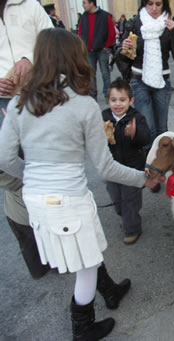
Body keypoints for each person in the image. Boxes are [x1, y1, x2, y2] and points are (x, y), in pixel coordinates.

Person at [0, 28, 164, 340]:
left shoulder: (21, 103)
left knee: (82, 249)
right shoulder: (84, 106)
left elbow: (4, 158)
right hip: (68, 202)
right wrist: (144, 178)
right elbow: (105, 166)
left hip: (36, 201)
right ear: (74, 58)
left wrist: (32, 176)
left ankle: (110, 289)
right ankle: (83, 326)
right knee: (85, 266)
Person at [118, 0, 174, 192]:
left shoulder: (169, 25)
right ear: (144, 5)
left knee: (162, 130)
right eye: (150, 4)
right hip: (139, 82)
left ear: (164, 6)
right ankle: (152, 174)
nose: (154, 8)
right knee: (147, 130)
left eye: (158, 4)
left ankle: (162, 170)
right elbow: (123, 57)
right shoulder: (135, 24)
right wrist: (123, 48)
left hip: (162, 82)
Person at [103, 78, 151, 245]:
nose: (118, 104)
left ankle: (132, 228)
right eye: (113, 100)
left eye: (122, 100)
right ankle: (125, 215)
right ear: (108, 100)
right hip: (112, 167)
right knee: (116, 199)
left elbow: (146, 139)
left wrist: (135, 133)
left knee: (130, 200)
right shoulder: (103, 118)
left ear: (131, 101)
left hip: (132, 167)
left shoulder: (136, 118)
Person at [0, 0, 53, 126]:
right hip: (3, 100)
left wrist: (30, 59)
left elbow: (53, 41)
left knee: (45, 142)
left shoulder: (30, 5)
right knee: (7, 145)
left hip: (39, 93)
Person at [0, 169, 50, 278]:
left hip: (13, 214)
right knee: (49, 243)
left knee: (28, 246)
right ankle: (56, 266)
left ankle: (38, 271)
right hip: (32, 218)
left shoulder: (7, 178)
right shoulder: (27, 177)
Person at [78, 0, 116, 100]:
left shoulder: (105, 16)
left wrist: (106, 46)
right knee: (91, 74)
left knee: (105, 73)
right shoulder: (83, 17)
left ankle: (107, 94)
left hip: (102, 50)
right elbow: (80, 32)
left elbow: (112, 33)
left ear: (91, 3)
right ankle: (93, 94)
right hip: (89, 51)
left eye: (84, 3)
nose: (83, 5)